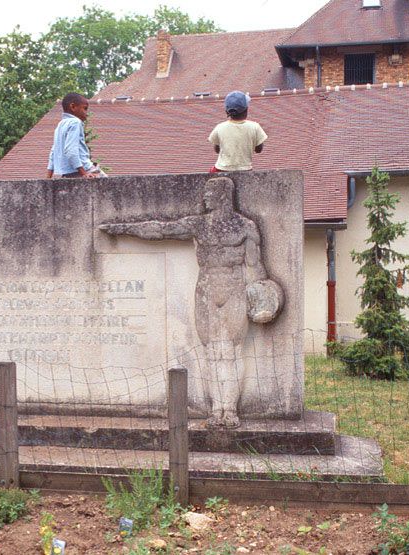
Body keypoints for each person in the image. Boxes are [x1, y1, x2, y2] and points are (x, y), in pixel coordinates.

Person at [99, 177, 283, 428]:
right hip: (206, 288)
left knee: (231, 351)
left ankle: (229, 408)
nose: (204, 197)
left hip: (234, 289)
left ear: (222, 195)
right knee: (212, 352)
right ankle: (215, 408)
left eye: (209, 193)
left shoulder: (245, 227)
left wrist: (265, 296)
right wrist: (122, 229)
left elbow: (255, 266)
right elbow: (161, 230)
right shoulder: (200, 225)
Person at [47, 93, 105, 179]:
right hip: (84, 168)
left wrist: (48, 177)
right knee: (114, 187)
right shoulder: (75, 122)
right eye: (85, 109)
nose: (86, 113)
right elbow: (71, 150)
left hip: (66, 173)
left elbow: (53, 152)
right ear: (73, 107)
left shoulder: (60, 125)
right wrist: (84, 173)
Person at [208, 91, 267, 173]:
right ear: (246, 110)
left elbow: (217, 150)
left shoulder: (220, 127)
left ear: (226, 112)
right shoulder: (255, 127)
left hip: (221, 169)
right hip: (245, 169)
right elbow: (259, 149)